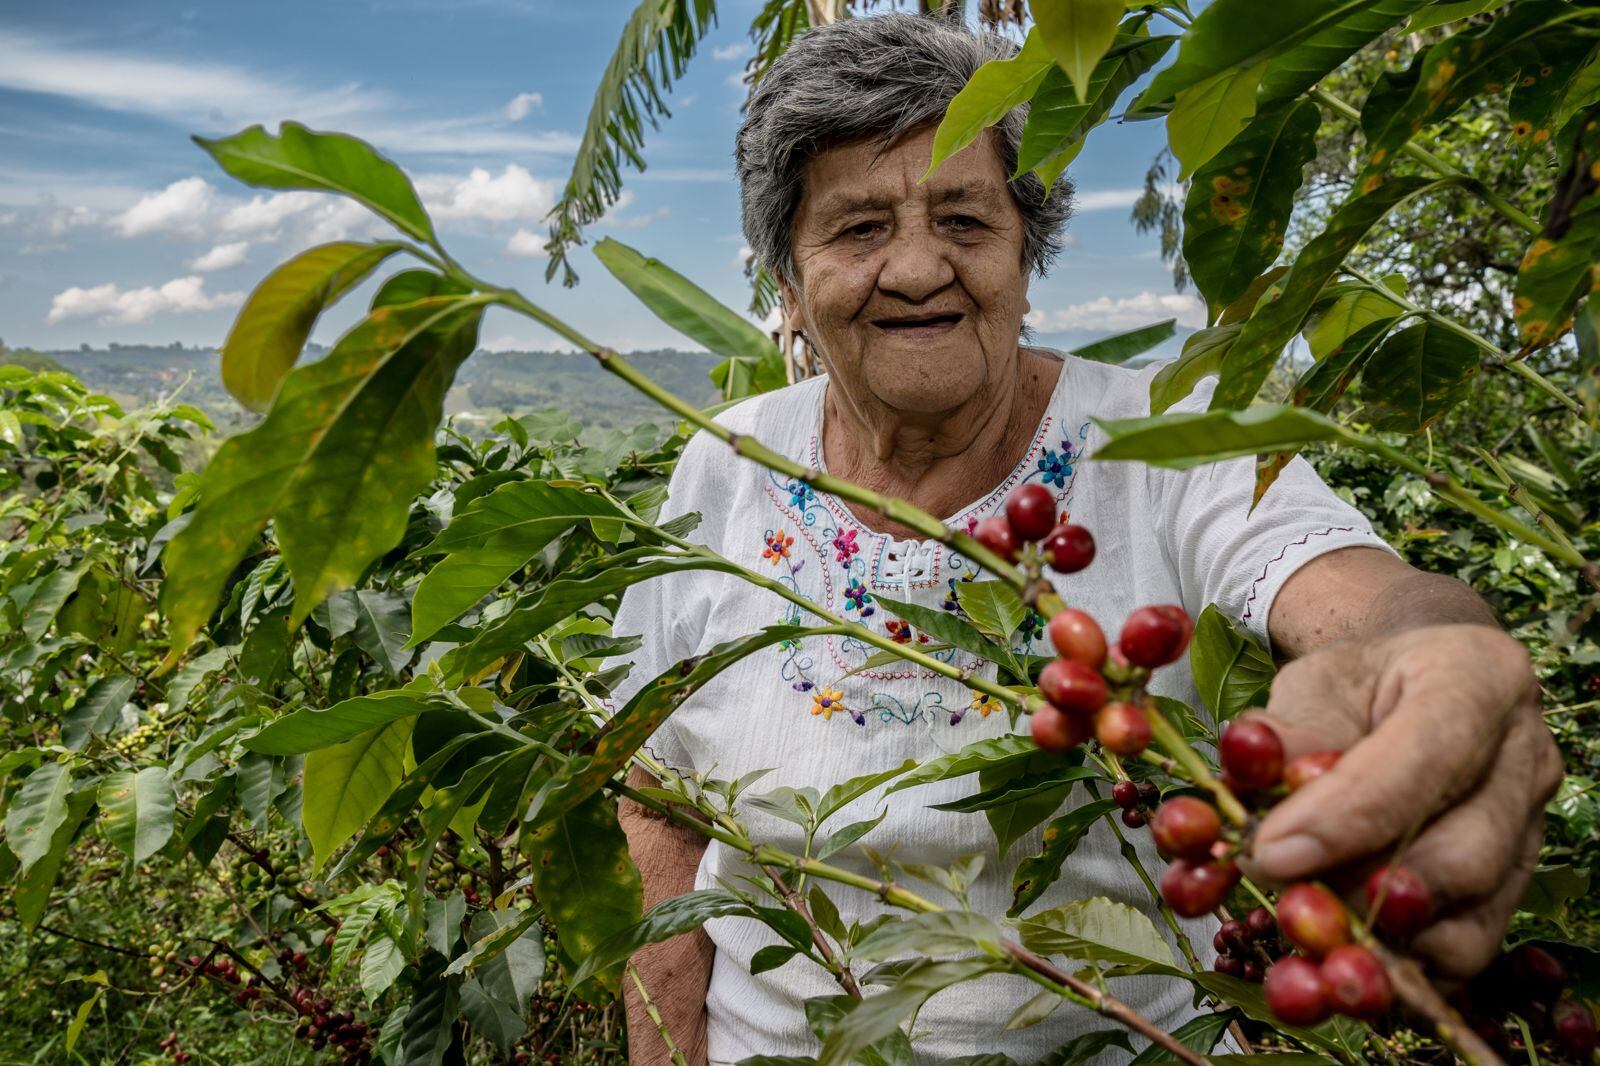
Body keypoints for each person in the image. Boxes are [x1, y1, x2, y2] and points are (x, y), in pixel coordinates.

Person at [608, 13, 1562, 1064]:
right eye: (859, 227)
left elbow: (1353, 592)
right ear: (788, 277)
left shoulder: (1161, 436)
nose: (919, 265)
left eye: (966, 220)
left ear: (1028, 252)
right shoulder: (728, 465)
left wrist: (1425, 651)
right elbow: (658, 789)